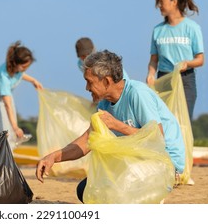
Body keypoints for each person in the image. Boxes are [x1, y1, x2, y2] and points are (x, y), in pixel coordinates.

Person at [36, 50, 185, 203]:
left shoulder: (137, 93)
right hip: (137, 161)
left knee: (118, 193)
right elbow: (87, 141)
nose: (87, 88)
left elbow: (157, 138)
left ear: (106, 81)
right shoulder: (104, 104)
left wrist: (117, 125)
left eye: (89, 82)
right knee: (86, 189)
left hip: (165, 163)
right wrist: (53, 157)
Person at [146, 0, 204, 121]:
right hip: (163, 79)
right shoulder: (158, 30)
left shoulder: (192, 28)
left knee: (183, 122)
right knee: (164, 121)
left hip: (185, 80)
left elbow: (200, 59)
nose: (159, 5)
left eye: (162, 1)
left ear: (174, 2)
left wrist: (186, 63)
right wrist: (151, 74)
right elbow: (154, 59)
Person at [0, 41, 43, 150]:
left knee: (11, 132)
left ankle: (8, 157)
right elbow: (7, 104)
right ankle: (1, 160)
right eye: (25, 66)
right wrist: (15, 127)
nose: (26, 68)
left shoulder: (17, 70)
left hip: (6, 97)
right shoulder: (3, 77)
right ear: (16, 63)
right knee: (3, 130)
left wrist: (33, 81)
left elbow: (21, 74)